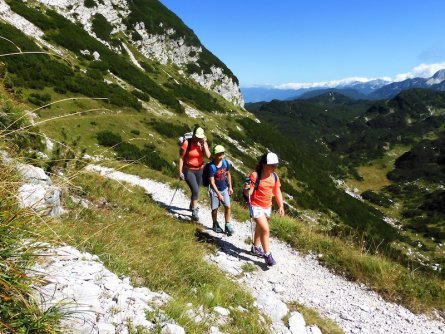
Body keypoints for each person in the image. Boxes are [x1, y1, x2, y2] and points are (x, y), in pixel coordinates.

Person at [244, 152, 285, 266]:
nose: (274, 167)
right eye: (271, 165)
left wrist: (281, 206)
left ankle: (256, 248)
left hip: (267, 206)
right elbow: (249, 192)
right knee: (265, 229)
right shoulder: (255, 175)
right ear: (263, 164)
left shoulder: (274, 177)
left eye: (275, 165)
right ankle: (267, 255)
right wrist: (247, 190)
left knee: (260, 228)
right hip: (256, 206)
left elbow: (277, 191)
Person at [178, 127, 211, 221]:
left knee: (196, 188)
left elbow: (208, 156)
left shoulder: (202, 143)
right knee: (196, 190)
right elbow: (181, 158)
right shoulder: (186, 143)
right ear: (193, 135)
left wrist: (204, 144)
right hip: (188, 170)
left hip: (200, 169)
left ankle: (192, 203)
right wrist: (180, 172)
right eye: (197, 137)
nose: (198, 139)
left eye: (200, 137)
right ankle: (194, 210)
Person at [208, 145, 234, 235]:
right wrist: (218, 194)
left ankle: (227, 224)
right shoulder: (211, 167)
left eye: (222, 154)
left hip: (224, 189)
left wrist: (230, 187)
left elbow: (228, 174)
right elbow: (212, 182)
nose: (221, 156)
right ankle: (215, 223)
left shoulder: (225, 163)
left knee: (228, 206)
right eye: (219, 154)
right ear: (214, 155)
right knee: (215, 208)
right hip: (215, 191)